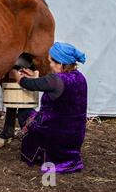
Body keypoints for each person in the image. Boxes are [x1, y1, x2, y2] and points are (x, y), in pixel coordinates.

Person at [11, 42, 88, 173]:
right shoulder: (80, 77)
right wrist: (34, 75)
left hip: (54, 136)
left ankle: (41, 152)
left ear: (60, 63)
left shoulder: (55, 80)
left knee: (24, 112)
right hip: (74, 137)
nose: (50, 64)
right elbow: (49, 84)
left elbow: (26, 84)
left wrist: (14, 73)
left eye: (51, 61)